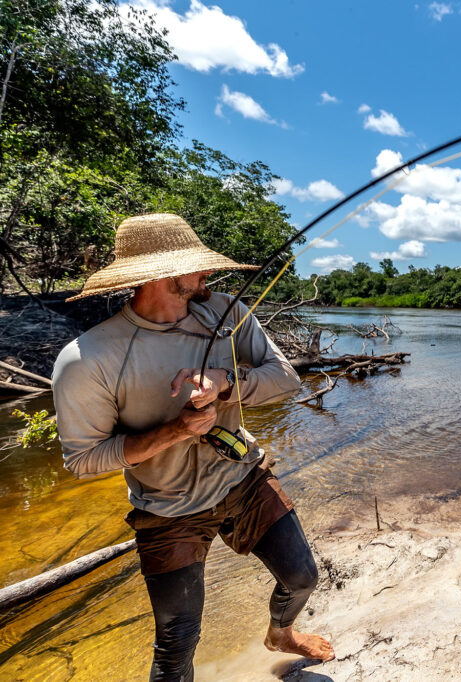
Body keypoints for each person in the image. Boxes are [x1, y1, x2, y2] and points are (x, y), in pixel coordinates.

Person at [52, 213, 334, 680]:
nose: (209, 274)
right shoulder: (89, 358)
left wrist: (226, 384)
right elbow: (82, 460)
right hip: (166, 509)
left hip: (243, 479)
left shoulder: (225, 313)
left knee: (303, 576)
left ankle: (281, 633)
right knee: (176, 643)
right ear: (161, 276)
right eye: (196, 265)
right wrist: (176, 431)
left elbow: (285, 378)